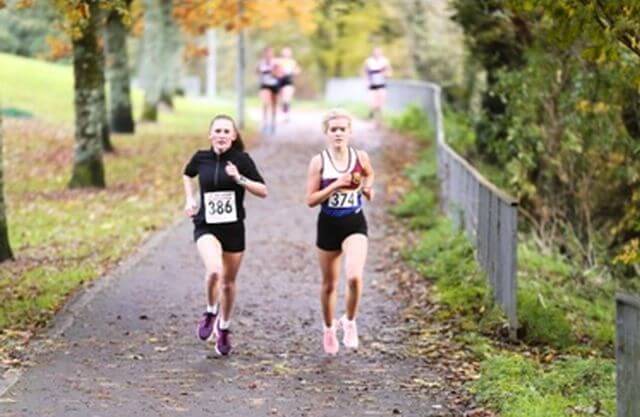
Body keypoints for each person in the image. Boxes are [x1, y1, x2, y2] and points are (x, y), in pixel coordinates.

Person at [183, 114, 268, 356]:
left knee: (229, 284)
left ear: (233, 136)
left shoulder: (241, 160)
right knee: (214, 271)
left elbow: (263, 190)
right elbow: (187, 174)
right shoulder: (200, 158)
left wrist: (239, 178)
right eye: (217, 131)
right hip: (206, 225)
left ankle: (224, 327)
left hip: (233, 229)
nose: (221, 135)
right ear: (210, 135)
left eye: (226, 132)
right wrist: (190, 198)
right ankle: (210, 311)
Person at [305, 109, 375, 355]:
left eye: (342, 129)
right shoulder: (319, 162)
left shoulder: (360, 156)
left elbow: (369, 174)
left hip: (354, 223)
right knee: (329, 285)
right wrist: (335, 185)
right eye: (333, 129)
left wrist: (367, 188)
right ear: (326, 133)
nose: (338, 133)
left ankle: (350, 321)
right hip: (328, 226)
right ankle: (328, 328)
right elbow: (311, 200)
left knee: (354, 276)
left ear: (350, 132)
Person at [362, 47, 392, 126]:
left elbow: (389, 73)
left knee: (381, 103)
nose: (377, 53)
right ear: (373, 52)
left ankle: (380, 120)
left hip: (382, 85)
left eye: (379, 52)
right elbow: (365, 72)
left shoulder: (385, 61)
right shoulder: (369, 61)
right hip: (372, 85)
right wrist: (366, 82)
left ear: (381, 53)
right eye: (375, 52)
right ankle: (375, 120)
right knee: (373, 103)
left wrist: (385, 74)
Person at [257, 47, 281, 135]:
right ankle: (264, 124)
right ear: (264, 54)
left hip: (274, 85)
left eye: (270, 53)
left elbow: (280, 74)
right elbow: (257, 72)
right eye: (267, 53)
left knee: (274, 106)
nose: (269, 55)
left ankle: (273, 123)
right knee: (265, 103)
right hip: (264, 85)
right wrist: (261, 71)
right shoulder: (261, 63)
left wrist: (274, 72)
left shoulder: (276, 63)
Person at [276, 47, 300, 122]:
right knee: (281, 99)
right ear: (282, 53)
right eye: (285, 52)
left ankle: (286, 116)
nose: (286, 54)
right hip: (280, 81)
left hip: (288, 81)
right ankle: (282, 114)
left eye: (288, 52)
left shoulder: (292, 62)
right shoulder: (279, 61)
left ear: (290, 53)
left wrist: (293, 72)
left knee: (287, 99)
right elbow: (274, 70)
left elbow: (298, 71)